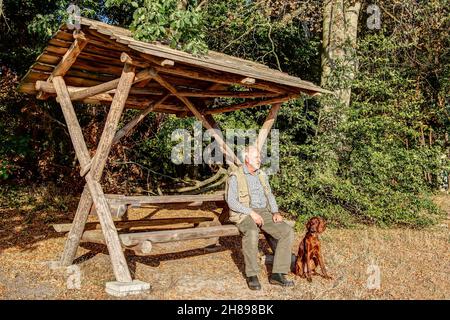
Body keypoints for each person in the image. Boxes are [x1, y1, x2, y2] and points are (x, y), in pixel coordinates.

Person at [225, 145, 294, 290]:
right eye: (256, 157)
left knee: (286, 230)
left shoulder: (262, 175)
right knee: (252, 232)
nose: (260, 159)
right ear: (247, 158)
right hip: (244, 213)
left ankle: (278, 274)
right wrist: (250, 212)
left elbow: (269, 195)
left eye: (259, 157)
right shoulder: (236, 176)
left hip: (264, 212)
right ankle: (252, 274)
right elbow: (231, 201)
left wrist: (275, 212)